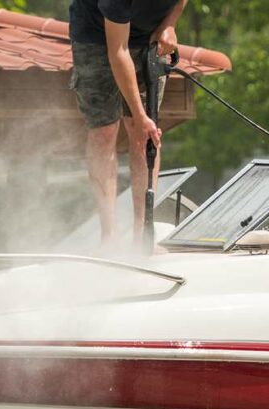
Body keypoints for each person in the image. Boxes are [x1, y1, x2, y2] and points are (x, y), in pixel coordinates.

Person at [69, 0, 187, 247]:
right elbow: (118, 51)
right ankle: (108, 238)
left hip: (147, 37)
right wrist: (140, 115)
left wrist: (169, 25)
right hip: (97, 35)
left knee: (145, 136)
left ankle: (143, 234)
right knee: (104, 130)